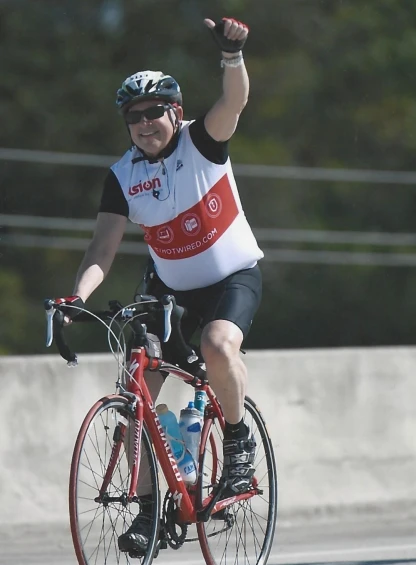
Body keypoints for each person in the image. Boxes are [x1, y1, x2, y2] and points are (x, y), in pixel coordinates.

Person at [51, 17, 262, 556]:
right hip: (170, 291)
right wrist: (77, 298)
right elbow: (102, 249)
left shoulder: (202, 141)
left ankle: (237, 444)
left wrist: (232, 57)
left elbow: (234, 103)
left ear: (175, 112)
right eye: (132, 117)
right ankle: (147, 511)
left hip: (231, 278)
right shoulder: (122, 176)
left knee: (217, 345)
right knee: (135, 387)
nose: (143, 124)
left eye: (153, 113)